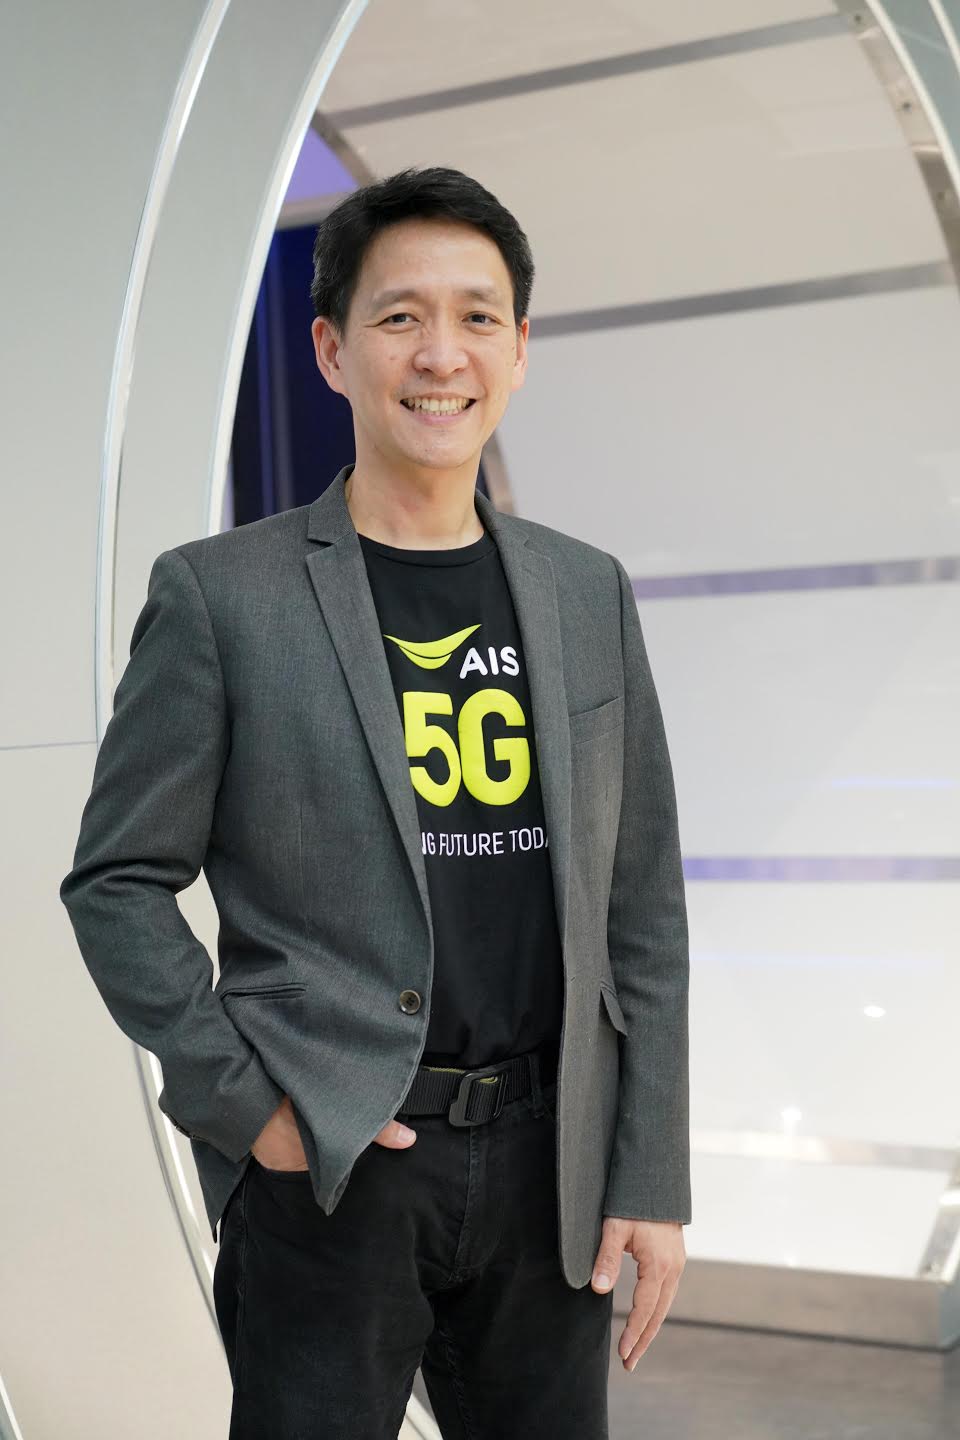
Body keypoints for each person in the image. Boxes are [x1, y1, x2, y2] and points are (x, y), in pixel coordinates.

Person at [60, 165, 690, 1439]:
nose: (441, 354)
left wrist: (651, 1171)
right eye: (401, 316)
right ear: (331, 350)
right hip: (336, 1167)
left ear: (520, 350)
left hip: (550, 1170)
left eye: (478, 317)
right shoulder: (222, 597)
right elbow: (116, 882)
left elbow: (642, 908)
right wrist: (252, 1111)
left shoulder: (585, 592)